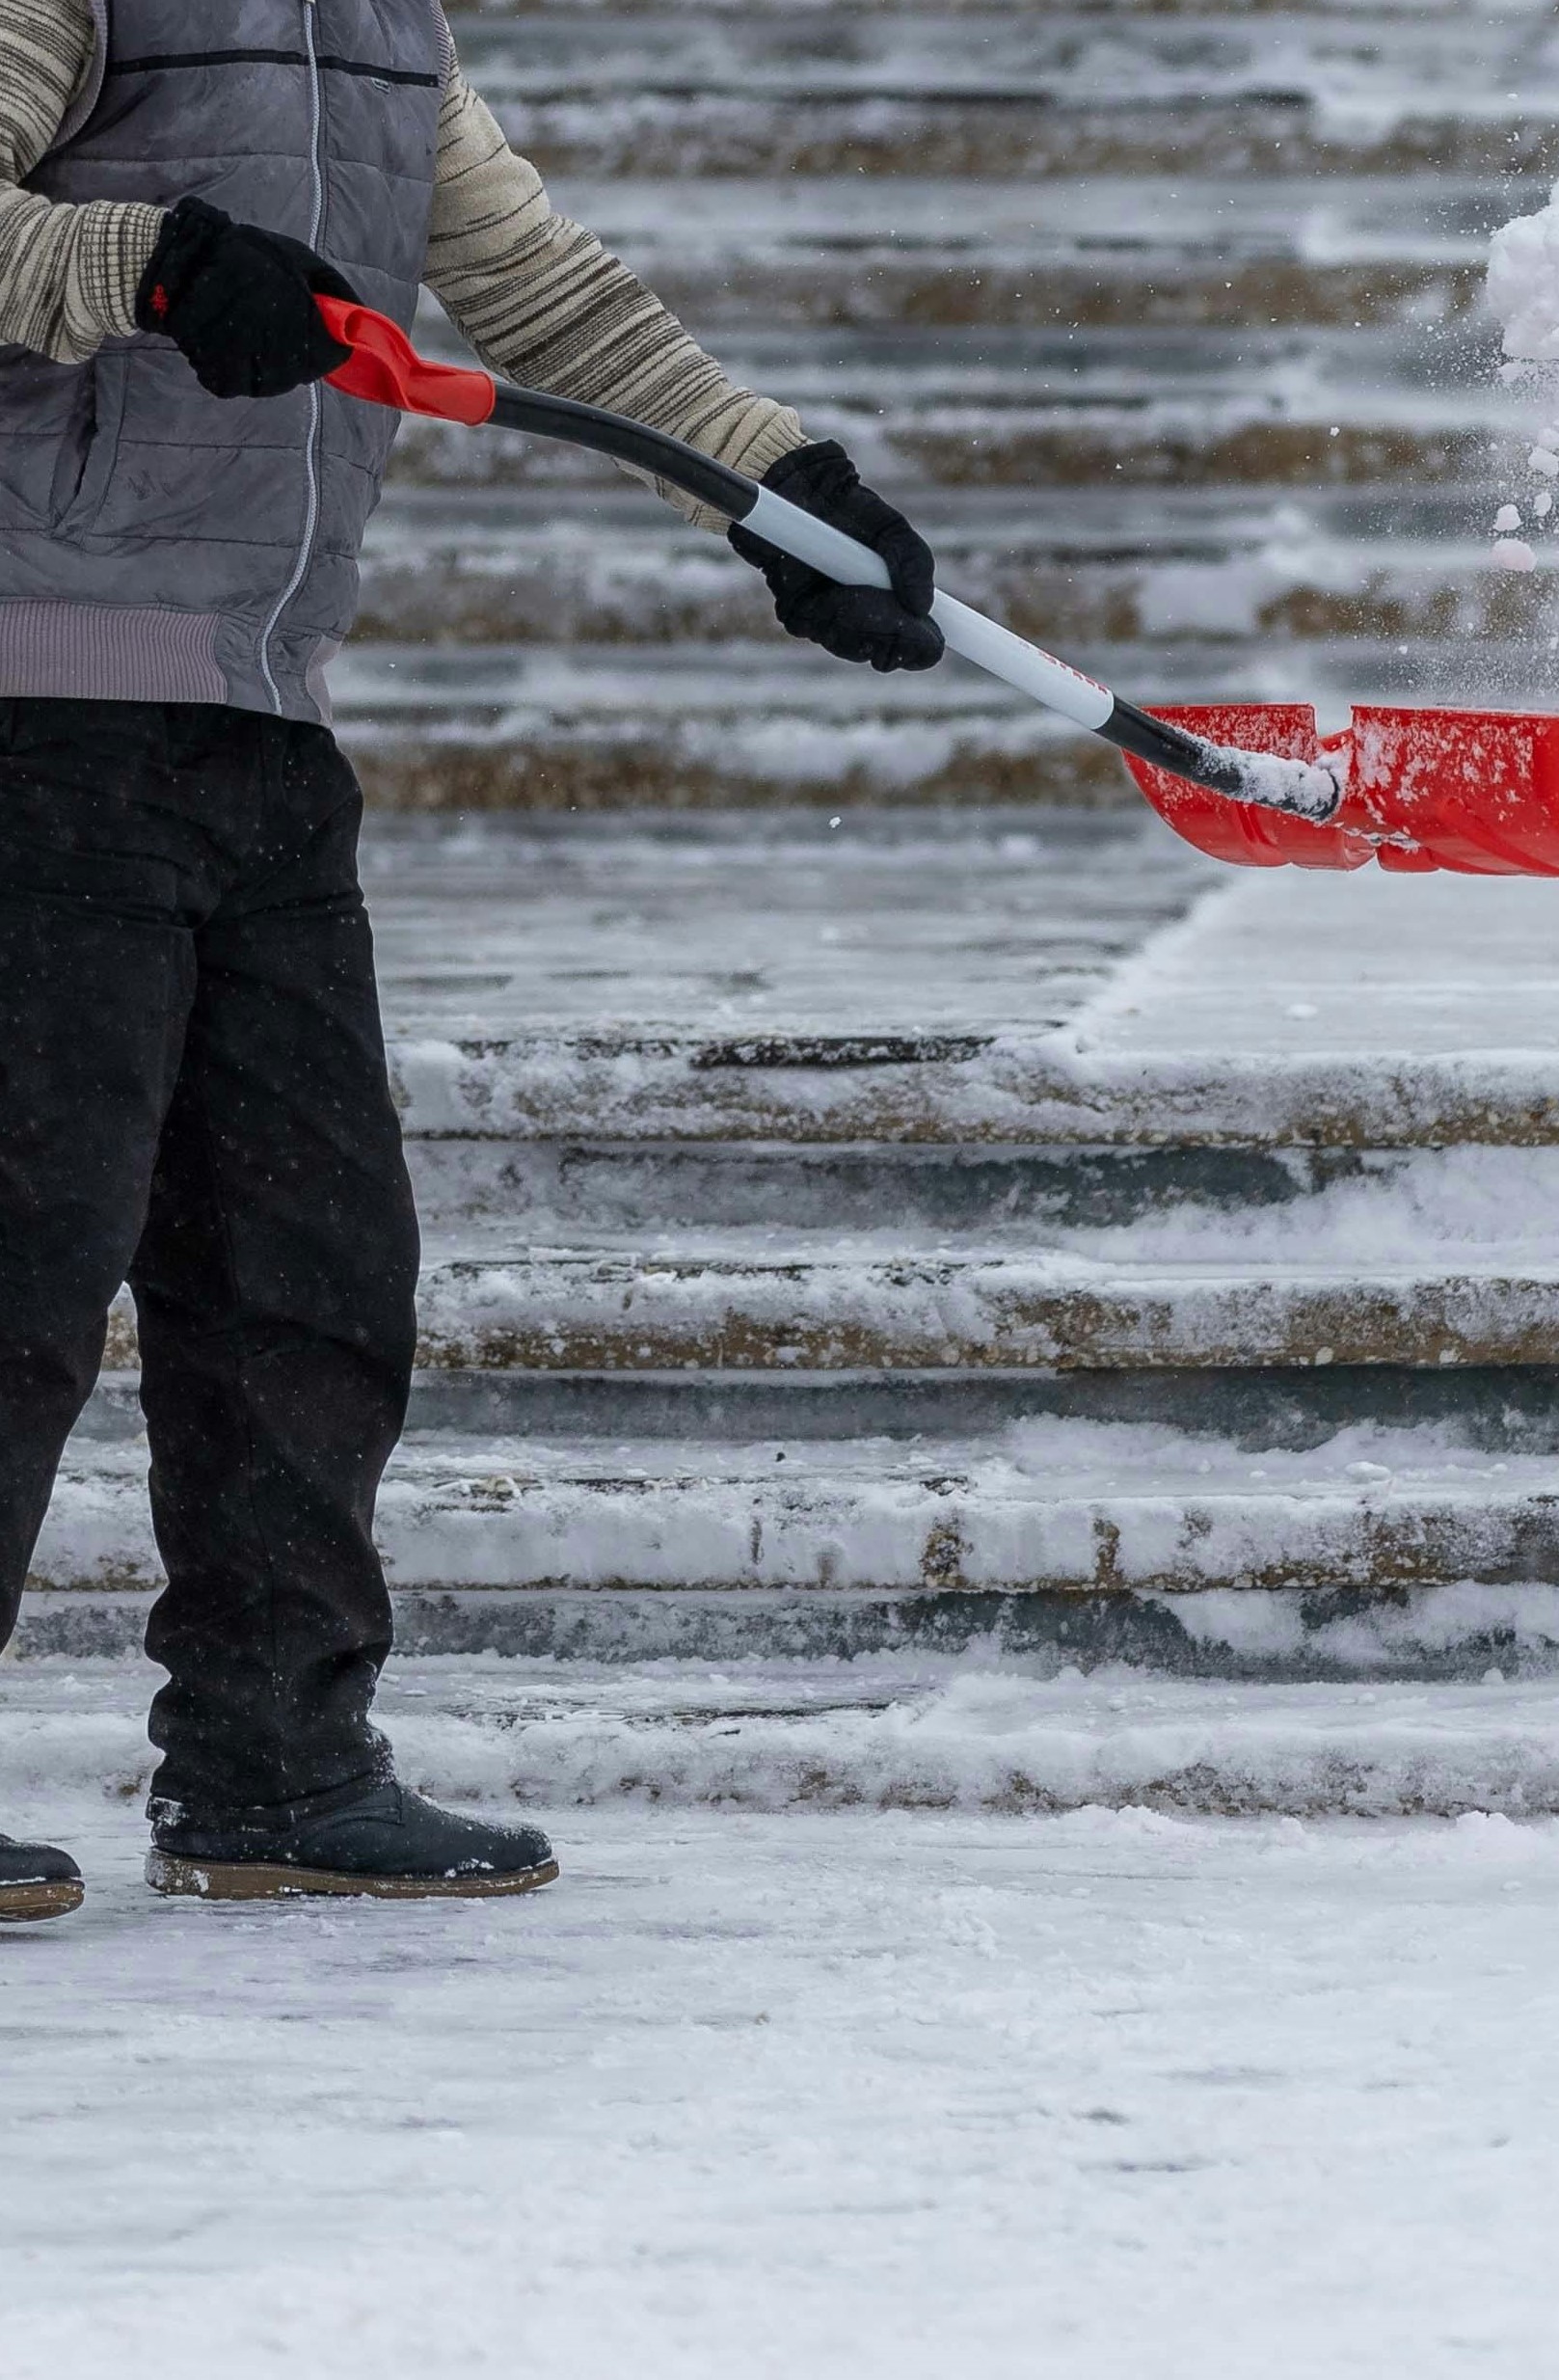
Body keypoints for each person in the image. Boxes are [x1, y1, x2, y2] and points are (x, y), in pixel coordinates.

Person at [0, 0, 944, 1923]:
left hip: (261, 728)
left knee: (309, 1273)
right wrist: (150, 267)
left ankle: (274, 1763)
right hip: (32, 712)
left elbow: (547, 294)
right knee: (15, 1264)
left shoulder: (380, 27)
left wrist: (780, 495)